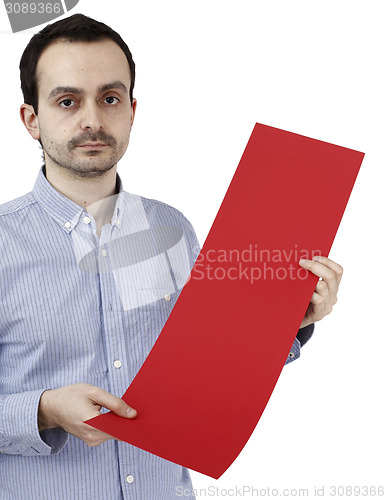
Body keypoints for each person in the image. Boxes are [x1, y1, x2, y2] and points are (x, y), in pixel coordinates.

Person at [0, 13, 343, 500]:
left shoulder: (171, 229)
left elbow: (218, 370)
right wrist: (43, 409)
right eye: (67, 100)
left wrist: (292, 320)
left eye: (110, 98)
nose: (92, 118)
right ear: (32, 118)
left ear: (132, 111)